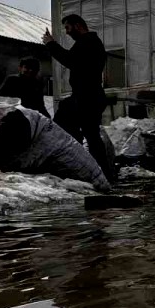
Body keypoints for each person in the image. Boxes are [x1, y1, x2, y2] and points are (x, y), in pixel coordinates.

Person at [43, 14, 114, 182]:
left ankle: (99, 173)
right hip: (86, 96)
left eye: (68, 27)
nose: (67, 32)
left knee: (86, 134)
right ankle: (89, 169)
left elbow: (70, 60)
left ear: (78, 25)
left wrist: (51, 44)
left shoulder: (88, 42)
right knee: (77, 129)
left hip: (88, 96)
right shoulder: (87, 43)